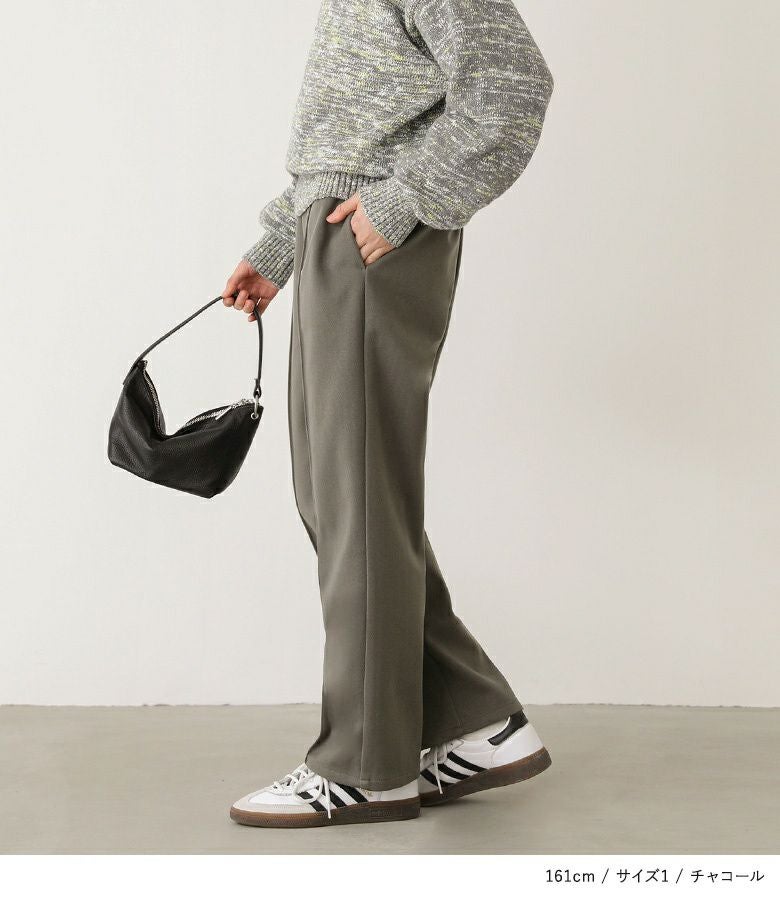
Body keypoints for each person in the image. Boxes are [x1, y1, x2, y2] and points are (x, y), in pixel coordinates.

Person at [224, 0, 554, 828]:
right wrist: (282, 246)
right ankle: (474, 721)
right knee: (340, 498)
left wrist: (404, 200)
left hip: (374, 240)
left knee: (357, 499)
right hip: (337, 236)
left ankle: (367, 767)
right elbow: (349, 136)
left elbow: (514, 86)